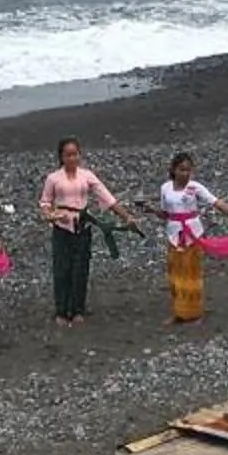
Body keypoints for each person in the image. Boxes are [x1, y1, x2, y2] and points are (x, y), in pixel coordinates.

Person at [38, 138, 141, 327]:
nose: (72, 158)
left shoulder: (87, 176)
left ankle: (78, 308)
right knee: (62, 269)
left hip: (83, 226)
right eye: (68, 155)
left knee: (80, 269)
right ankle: (61, 310)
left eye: (75, 154)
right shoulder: (53, 178)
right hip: (62, 228)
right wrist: (51, 215)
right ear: (61, 156)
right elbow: (44, 203)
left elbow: (107, 197)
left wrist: (127, 217)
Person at [153, 151, 228, 326]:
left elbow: (215, 202)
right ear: (173, 170)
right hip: (173, 233)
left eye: (188, 170)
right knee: (175, 274)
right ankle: (178, 311)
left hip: (192, 234)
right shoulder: (165, 188)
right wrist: (151, 210)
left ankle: (195, 312)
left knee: (192, 273)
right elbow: (165, 213)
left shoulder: (195, 188)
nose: (185, 174)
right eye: (181, 170)